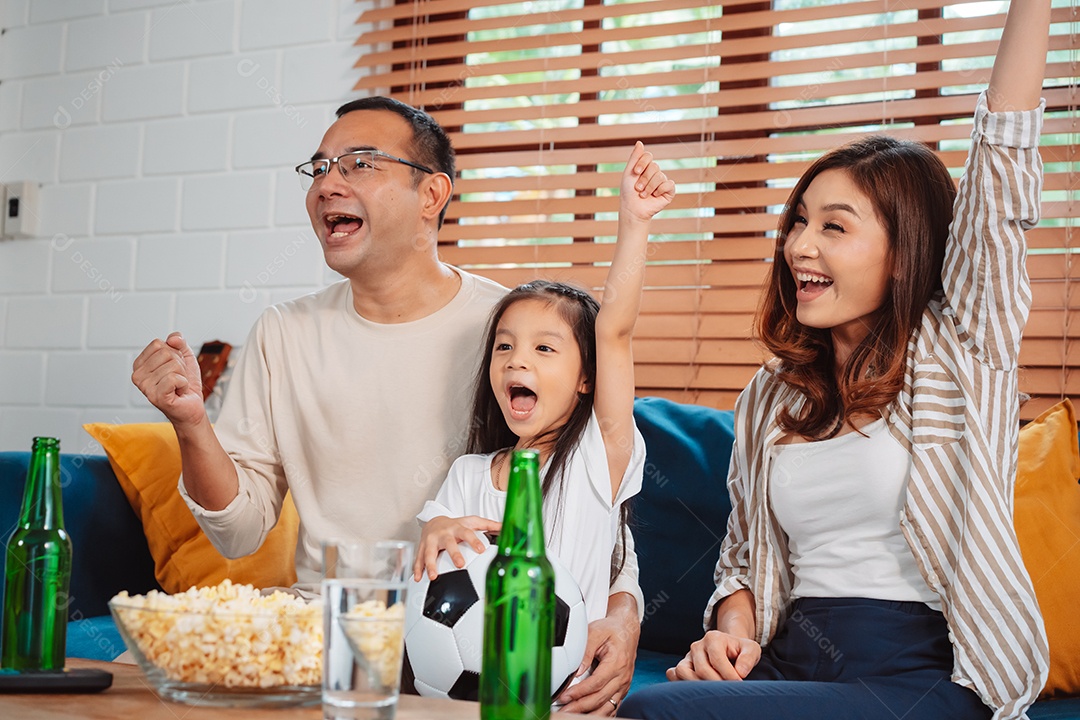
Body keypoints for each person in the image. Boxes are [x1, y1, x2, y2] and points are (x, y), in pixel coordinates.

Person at [131, 96, 640, 714]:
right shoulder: (284, 333)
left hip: (480, 630)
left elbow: (592, 495)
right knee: (144, 672)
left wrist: (623, 610)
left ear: (431, 196)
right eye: (319, 169)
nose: (328, 185)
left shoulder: (512, 330)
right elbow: (239, 533)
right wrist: (190, 423)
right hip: (334, 620)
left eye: (360, 164)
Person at [619, 1, 1051, 719]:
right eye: (798, 221)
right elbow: (744, 556)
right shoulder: (771, 395)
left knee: (654, 714)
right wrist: (732, 636)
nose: (798, 245)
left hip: (925, 674)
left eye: (833, 227)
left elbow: (1002, 161)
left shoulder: (963, 348)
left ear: (904, 250)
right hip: (794, 661)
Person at [413, 143, 675, 634]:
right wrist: (437, 528)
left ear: (586, 380)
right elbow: (431, 544)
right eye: (505, 347)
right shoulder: (468, 474)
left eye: (545, 349)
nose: (517, 359)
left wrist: (635, 221)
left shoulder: (597, 459)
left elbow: (615, 331)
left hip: (569, 692)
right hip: (468, 681)